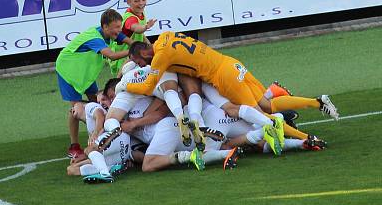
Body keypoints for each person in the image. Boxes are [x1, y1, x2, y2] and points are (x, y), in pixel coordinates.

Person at [120, 32, 340, 149]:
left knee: (262, 115)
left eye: (138, 61)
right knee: (268, 103)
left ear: (144, 54)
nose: (141, 66)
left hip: (222, 77)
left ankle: (308, 137)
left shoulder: (160, 58)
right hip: (231, 63)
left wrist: (124, 84)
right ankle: (317, 102)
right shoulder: (166, 36)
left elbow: (148, 85)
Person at [55, 8, 133, 160]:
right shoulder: (95, 38)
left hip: (86, 73)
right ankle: (74, 146)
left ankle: (99, 134)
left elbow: (122, 37)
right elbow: (111, 55)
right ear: (105, 27)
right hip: (69, 71)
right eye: (116, 27)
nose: (119, 30)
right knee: (76, 110)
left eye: (120, 26)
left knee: (95, 103)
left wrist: (133, 43)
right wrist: (133, 51)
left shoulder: (108, 33)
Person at [110, 0, 156, 76]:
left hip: (135, 54)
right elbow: (136, 28)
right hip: (124, 57)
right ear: (128, 2)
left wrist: (149, 45)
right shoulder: (130, 18)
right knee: (123, 82)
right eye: (137, 1)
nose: (141, 3)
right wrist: (146, 27)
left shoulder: (140, 13)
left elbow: (140, 35)